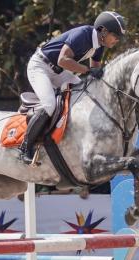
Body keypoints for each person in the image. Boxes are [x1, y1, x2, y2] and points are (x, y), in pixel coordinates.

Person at [19, 11, 127, 164]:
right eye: (115, 35)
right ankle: (25, 146)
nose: (117, 39)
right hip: (40, 67)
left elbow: (95, 71)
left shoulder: (100, 45)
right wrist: (89, 71)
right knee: (49, 105)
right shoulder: (83, 35)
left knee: (84, 96)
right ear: (103, 31)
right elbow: (63, 60)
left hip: (60, 72)